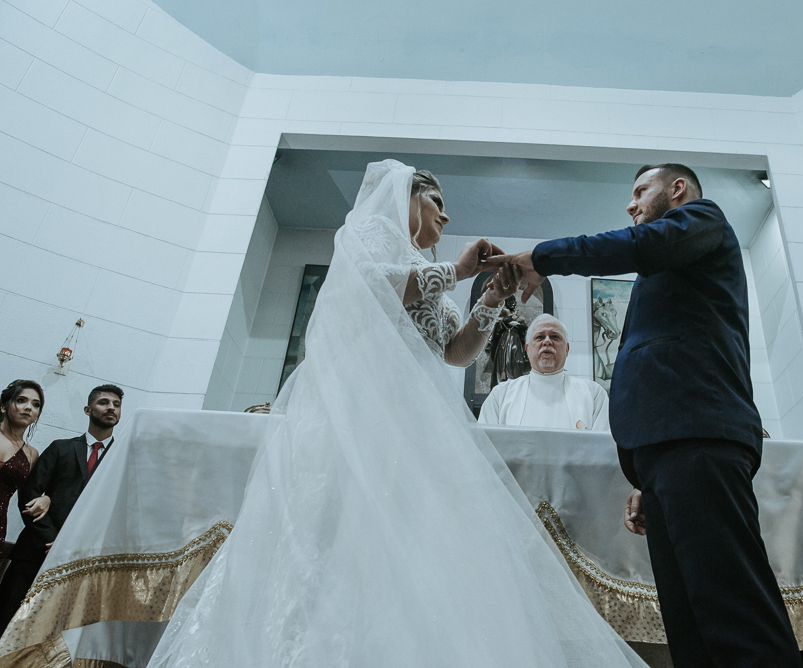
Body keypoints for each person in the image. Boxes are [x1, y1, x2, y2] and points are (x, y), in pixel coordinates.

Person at [148, 161, 645, 667]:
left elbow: (454, 352)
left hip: (417, 418)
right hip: (362, 409)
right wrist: (458, 271)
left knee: (410, 542)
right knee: (342, 534)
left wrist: (492, 296)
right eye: (437, 203)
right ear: (408, 196)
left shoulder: (423, 264)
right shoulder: (370, 233)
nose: (446, 217)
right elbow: (367, 287)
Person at [490, 163, 803, 667]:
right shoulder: (671, 266)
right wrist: (645, 473)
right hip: (669, 452)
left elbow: (636, 246)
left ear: (676, 189)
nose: (631, 204)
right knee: (689, 623)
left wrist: (542, 257)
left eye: (640, 191)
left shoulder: (703, 219)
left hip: (698, 436)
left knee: (734, 613)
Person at [0, 384, 122, 633]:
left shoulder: (122, 459)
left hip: (79, 560)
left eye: (116, 405)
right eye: (104, 402)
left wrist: (77, 546)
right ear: (88, 409)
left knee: (48, 632)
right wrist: (51, 540)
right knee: (5, 618)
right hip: (34, 551)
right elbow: (29, 495)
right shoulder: (60, 448)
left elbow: (119, 510)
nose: (111, 408)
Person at [478, 314, 610, 430]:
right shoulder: (501, 395)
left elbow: (603, 446)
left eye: (555, 337)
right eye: (540, 337)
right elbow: (484, 445)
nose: (547, 341)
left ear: (567, 349)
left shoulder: (593, 395)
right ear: (527, 350)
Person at [0, 380, 43, 546]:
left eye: (36, 404)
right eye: (21, 400)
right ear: (3, 406)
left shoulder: (31, 454)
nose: (28, 407)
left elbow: (28, 498)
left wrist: (46, 499)